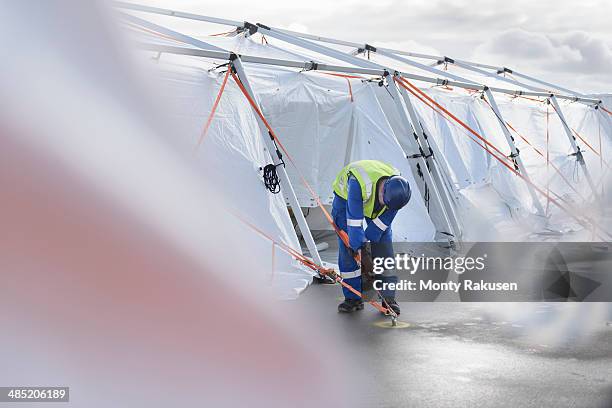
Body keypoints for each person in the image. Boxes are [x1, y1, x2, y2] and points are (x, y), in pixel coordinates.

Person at [331, 160, 411, 314]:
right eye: (384, 203)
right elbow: (354, 224)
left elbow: (379, 227)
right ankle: (353, 297)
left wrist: (370, 253)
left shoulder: (398, 194)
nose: (385, 207)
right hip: (345, 199)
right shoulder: (358, 183)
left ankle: (388, 298)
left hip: (375, 198)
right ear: (383, 190)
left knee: (384, 246)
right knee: (348, 245)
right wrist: (359, 250)